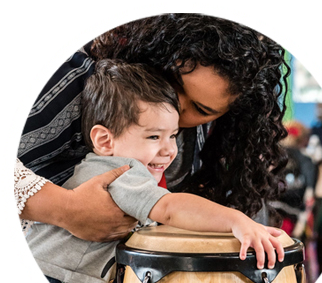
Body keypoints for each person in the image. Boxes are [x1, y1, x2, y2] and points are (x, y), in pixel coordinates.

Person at [26, 59, 284, 283]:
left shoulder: (118, 166)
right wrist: (236, 221)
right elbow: (171, 209)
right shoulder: (121, 171)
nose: (169, 150)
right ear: (105, 140)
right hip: (52, 282)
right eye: (153, 137)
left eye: (172, 136)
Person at [16, 14, 289, 250]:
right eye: (174, 82)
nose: (175, 106)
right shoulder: (70, 82)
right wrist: (65, 209)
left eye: (201, 110)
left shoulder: (196, 140)